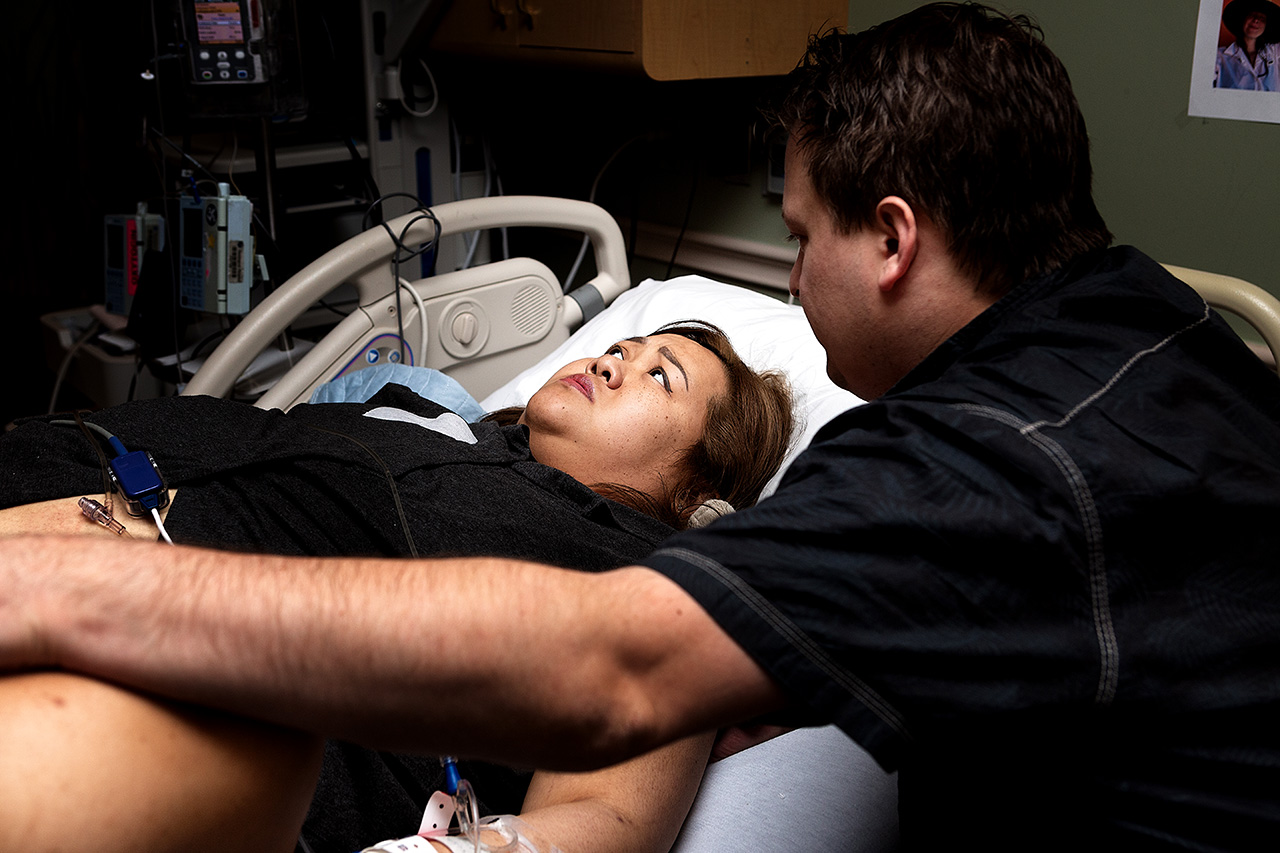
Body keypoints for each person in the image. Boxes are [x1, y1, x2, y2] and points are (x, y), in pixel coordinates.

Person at [3, 3, 1279, 850]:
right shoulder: (1152, 325)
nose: (790, 282)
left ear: (891, 239)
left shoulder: (983, 463)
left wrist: (83, 590)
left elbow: (616, 674)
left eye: (797, 238)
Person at [0, 322, 795, 853]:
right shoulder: (425, 417)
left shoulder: (649, 579)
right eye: (620, 347)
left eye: (660, 375)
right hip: (45, 482)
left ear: (699, 495)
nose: (613, 361)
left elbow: (609, 817)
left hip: (164, 690)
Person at [1214, 0, 1280, 91]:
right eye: (1252, 15)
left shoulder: (1275, 52)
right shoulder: (1219, 57)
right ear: (1242, 19)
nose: (1256, 20)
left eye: (1262, 19)